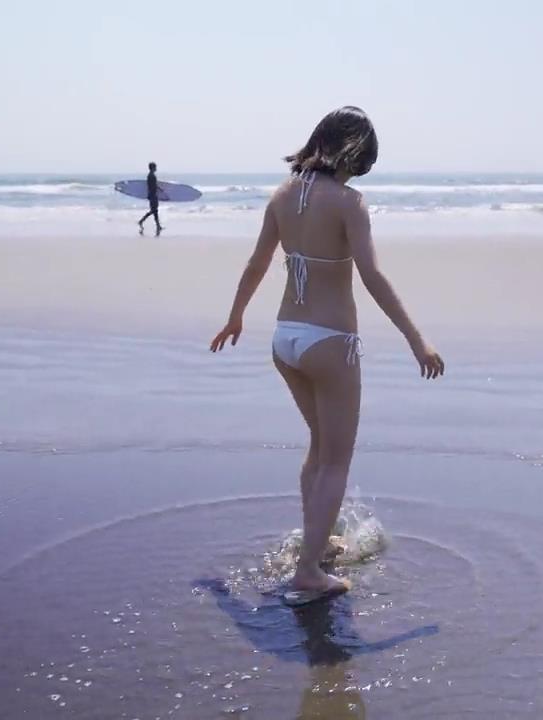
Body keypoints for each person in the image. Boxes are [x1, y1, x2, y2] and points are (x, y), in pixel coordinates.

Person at [209, 106, 444, 605]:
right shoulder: (349, 203)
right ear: (351, 153)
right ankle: (309, 572)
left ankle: (318, 544)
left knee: (318, 446)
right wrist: (416, 339)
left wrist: (235, 317)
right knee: (336, 460)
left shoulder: (282, 194)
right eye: (361, 164)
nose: (358, 175)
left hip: (285, 339)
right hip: (331, 342)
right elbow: (372, 276)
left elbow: (257, 262)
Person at [139, 161, 164, 235]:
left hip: (152, 194)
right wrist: (157, 190)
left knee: (154, 210)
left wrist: (159, 189)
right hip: (153, 195)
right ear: (153, 168)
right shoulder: (151, 176)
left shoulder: (150, 175)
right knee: (154, 210)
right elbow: (152, 186)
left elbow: (152, 185)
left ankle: (158, 225)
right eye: (155, 167)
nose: (156, 168)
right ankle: (142, 221)